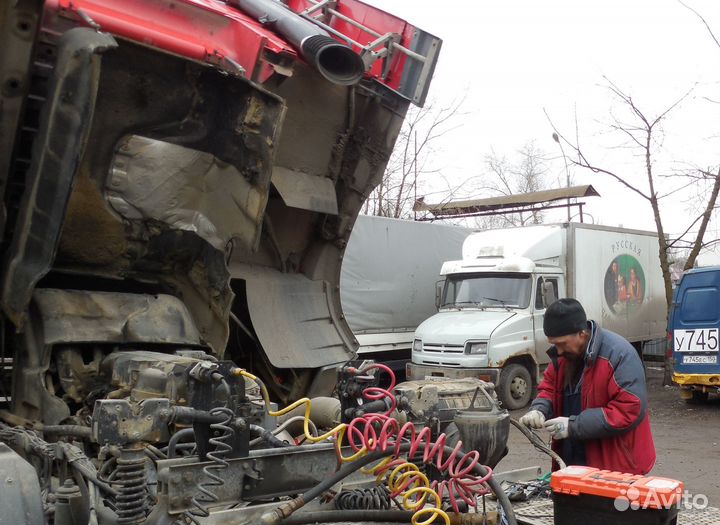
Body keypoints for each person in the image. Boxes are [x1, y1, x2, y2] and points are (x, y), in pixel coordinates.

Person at [519, 298, 656, 474]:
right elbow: (549, 388)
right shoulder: (565, 356)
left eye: (562, 344)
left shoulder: (619, 354)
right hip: (574, 459)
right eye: (554, 344)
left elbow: (629, 409)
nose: (558, 351)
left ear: (582, 334)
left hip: (615, 464)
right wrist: (539, 409)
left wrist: (573, 425)